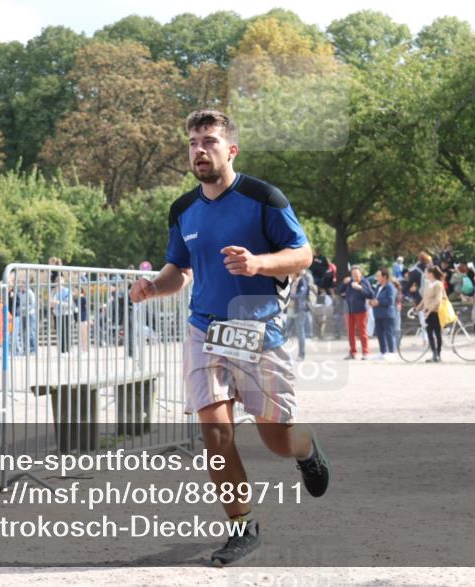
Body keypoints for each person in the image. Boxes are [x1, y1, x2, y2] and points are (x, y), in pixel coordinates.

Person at [128, 110, 329, 567]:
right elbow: (178, 270)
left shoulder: (263, 198)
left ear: (230, 149)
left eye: (210, 141)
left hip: (258, 331)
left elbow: (303, 254)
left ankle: (306, 447)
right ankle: (242, 528)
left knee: (276, 439)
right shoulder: (183, 209)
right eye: (194, 141)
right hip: (206, 330)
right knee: (215, 432)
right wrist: (153, 287)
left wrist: (259, 264)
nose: (200, 149)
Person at [338, 266, 374, 360]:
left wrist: (360, 288)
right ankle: (353, 352)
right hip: (349, 311)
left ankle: (366, 353)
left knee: (362, 332)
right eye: (353, 274)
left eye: (356, 274)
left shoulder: (364, 282)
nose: (355, 276)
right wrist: (343, 283)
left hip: (361, 311)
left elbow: (370, 294)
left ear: (360, 274)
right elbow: (339, 291)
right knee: (350, 333)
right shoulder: (350, 282)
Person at [417, 266, 446, 363]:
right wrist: (418, 307)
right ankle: (434, 353)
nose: (424, 273)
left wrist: (429, 311)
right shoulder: (427, 283)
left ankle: (438, 354)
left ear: (431, 273)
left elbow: (438, 299)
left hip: (435, 312)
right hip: (427, 311)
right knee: (429, 333)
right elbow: (425, 298)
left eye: (426, 272)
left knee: (437, 334)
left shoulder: (438, 284)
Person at [369, 267, 397, 359]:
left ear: (384, 277)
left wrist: (378, 302)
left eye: (379, 276)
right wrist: (371, 302)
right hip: (378, 314)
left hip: (387, 314)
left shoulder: (390, 287)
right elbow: (374, 298)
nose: (377, 278)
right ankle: (383, 351)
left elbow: (390, 300)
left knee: (389, 333)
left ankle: (392, 352)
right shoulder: (378, 287)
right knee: (380, 334)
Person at [292, 269, 314, 361]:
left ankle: (301, 354)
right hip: (291, 310)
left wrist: (289, 297)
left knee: (300, 332)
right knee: (285, 331)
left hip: (300, 309)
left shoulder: (302, 281)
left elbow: (301, 295)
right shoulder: (293, 282)